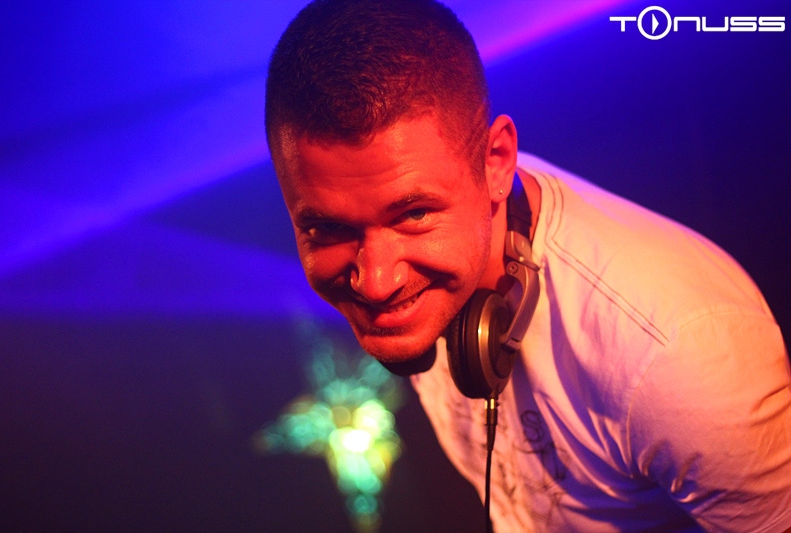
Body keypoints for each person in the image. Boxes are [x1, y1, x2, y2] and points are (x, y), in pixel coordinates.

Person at [265, 0, 791, 530]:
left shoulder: (681, 355)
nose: (377, 283)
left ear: (496, 163)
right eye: (327, 228)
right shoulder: (434, 268)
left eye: (414, 215)